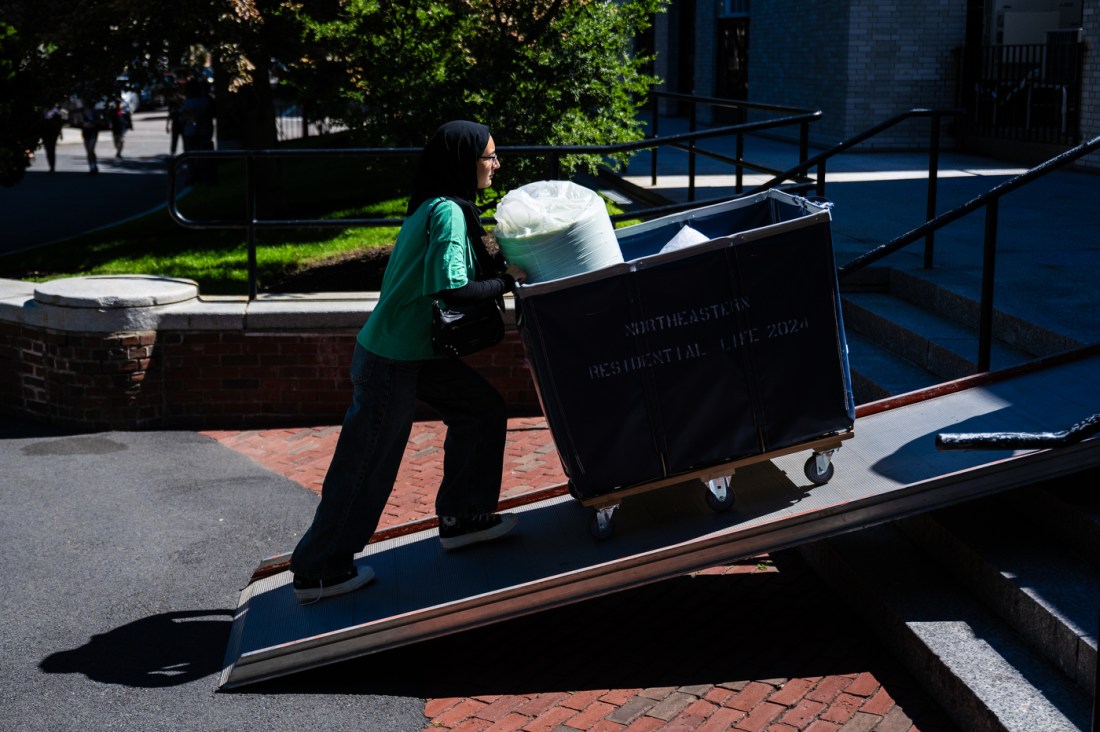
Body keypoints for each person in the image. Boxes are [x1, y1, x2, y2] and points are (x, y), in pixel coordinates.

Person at [289, 120, 524, 604]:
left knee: (480, 410)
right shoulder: (449, 214)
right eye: (489, 157)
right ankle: (319, 569)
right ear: (465, 162)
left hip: (414, 350)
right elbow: (452, 287)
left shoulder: (436, 204)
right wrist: (511, 281)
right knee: (367, 462)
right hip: (393, 358)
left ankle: (465, 517)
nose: (496, 165)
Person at [75, 97, 101, 174]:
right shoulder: (82, 112)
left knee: (91, 149)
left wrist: (92, 123)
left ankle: (94, 165)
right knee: (88, 151)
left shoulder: (94, 111)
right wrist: (82, 123)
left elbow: (99, 121)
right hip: (86, 132)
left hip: (93, 131)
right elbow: (78, 122)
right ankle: (91, 166)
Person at [40, 104, 67, 173]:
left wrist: (60, 133)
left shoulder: (56, 111)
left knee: (51, 148)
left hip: (53, 132)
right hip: (45, 132)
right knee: (47, 149)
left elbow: (60, 122)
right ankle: (51, 165)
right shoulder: (43, 110)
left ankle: (52, 167)